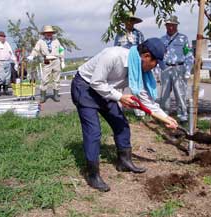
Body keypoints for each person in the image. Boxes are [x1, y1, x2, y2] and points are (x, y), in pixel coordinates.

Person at [71, 38, 178, 192]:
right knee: (93, 132)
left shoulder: (136, 69)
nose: (154, 68)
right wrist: (120, 97)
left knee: (121, 124)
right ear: (146, 56)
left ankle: (124, 162)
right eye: (155, 63)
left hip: (107, 90)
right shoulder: (113, 56)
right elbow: (96, 83)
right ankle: (92, 174)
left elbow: (145, 100)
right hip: (86, 87)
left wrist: (166, 118)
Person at [160, 16, 193, 122]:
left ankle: (182, 116)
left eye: (173, 25)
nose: (171, 27)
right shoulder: (162, 40)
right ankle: (164, 115)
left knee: (180, 93)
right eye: (168, 25)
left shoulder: (183, 38)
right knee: (164, 94)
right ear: (165, 26)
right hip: (166, 68)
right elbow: (159, 56)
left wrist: (188, 70)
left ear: (176, 26)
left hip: (179, 67)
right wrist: (157, 70)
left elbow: (188, 55)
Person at [114, 12, 146, 117]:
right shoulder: (119, 34)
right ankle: (118, 111)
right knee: (118, 87)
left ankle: (139, 112)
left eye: (131, 20)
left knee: (136, 87)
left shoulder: (139, 34)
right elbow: (115, 49)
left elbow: (142, 49)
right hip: (121, 63)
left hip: (134, 63)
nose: (129, 22)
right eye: (127, 20)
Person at [27, 25, 65, 103]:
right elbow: (36, 50)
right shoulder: (40, 42)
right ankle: (43, 96)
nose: (49, 34)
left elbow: (61, 50)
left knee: (56, 79)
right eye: (47, 33)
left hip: (56, 60)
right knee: (44, 79)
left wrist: (62, 60)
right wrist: (32, 55)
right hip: (47, 61)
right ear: (44, 33)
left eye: (50, 32)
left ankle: (56, 95)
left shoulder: (56, 40)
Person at [0, 31, 17, 95]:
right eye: (2, 36)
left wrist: (15, 60)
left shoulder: (7, 44)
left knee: (7, 78)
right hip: (0, 62)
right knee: (1, 77)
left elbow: (11, 52)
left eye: (4, 36)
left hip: (7, 62)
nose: (3, 38)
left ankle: (5, 90)